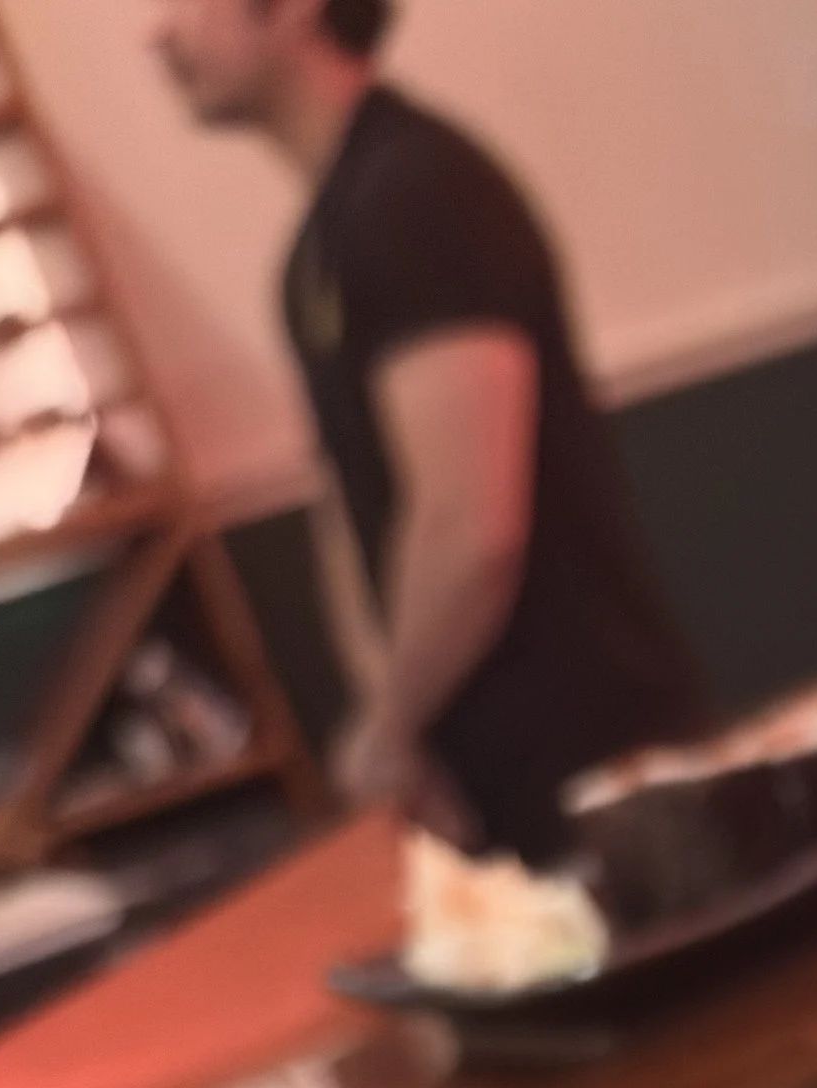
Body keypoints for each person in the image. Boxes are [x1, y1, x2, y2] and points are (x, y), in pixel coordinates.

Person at [152, 0, 705, 860]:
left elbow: (469, 531)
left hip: (601, 776)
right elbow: (346, 511)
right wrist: (398, 729)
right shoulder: (313, 255)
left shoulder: (418, 194)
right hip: (487, 793)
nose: (157, 34)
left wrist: (387, 730)